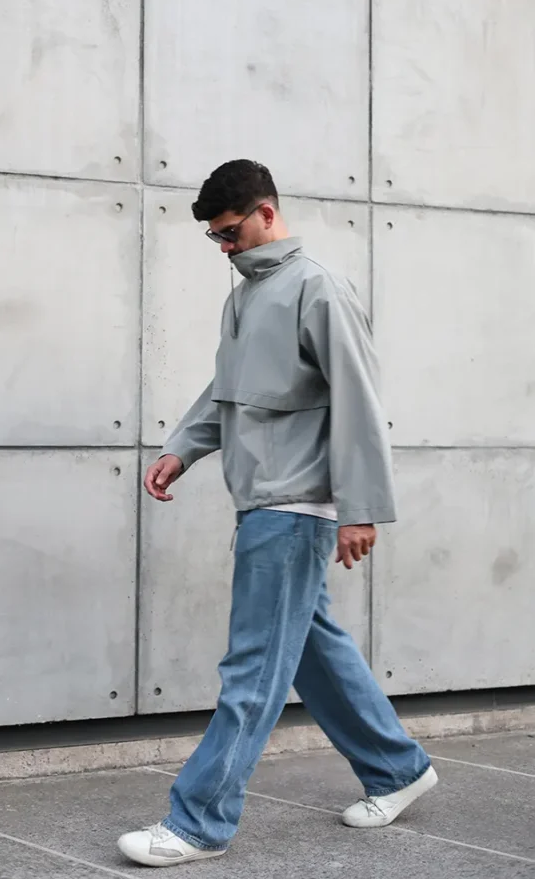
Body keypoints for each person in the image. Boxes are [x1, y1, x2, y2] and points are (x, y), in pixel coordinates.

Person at [119, 160, 437, 867]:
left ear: (267, 212)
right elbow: (228, 391)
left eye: (231, 232)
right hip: (263, 502)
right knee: (314, 654)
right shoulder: (246, 297)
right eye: (215, 238)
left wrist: (361, 509)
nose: (225, 247)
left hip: (296, 505)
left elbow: (359, 400)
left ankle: (199, 822)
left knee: (252, 670)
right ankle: (398, 768)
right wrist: (182, 448)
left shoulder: (317, 287)